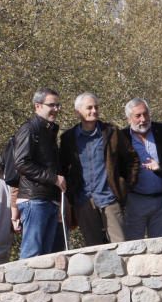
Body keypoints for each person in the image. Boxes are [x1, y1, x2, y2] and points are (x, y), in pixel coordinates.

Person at [58, 92, 139, 246]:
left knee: (122, 246)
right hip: (84, 201)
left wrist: (126, 185)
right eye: (89, 108)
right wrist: (71, 195)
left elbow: (132, 159)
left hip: (110, 198)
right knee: (94, 249)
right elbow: (62, 168)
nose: (94, 111)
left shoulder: (112, 132)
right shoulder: (68, 138)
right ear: (78, 111)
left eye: (96, 107)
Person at [13, 88, 65, 258]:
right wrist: (53, 178)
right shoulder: (29, 129)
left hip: (48, 199)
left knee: (45, 257)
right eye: (52, 105)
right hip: (34, 200)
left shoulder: (49, 131)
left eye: (58, 105)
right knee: (31, 255)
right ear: (37, 106)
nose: (56, 109)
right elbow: (21, 163)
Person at [122, 98, 162, 239]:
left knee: (160, 247)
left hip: (161, 201)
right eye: (138, 116)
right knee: (133, 246)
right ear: (129, 119)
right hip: (135, 200)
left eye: (145, 114)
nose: (143, 119)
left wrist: (161, 170)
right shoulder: (122, 137)